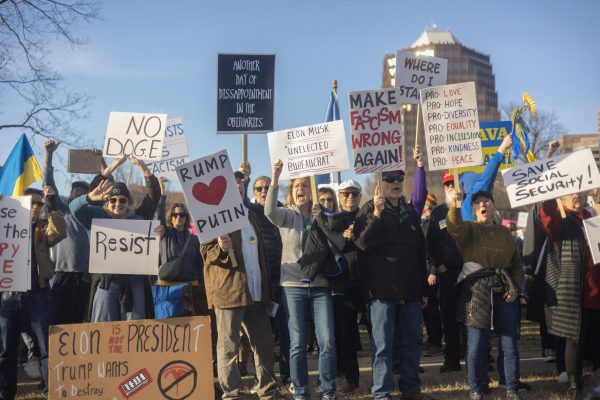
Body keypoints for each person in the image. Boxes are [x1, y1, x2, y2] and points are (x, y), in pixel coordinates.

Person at [353, 147, 430, 400]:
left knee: (413, 342)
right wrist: (376, 214)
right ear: (381, 183)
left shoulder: (410, 212)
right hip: (380, 291)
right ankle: (382, 393)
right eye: (390, 179)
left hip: (410, 289)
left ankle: (411, 390)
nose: (396, 183)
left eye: (400, 178)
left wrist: (424, 289)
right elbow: (362, 244)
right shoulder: (368, 209)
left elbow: (420, 251)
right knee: (383, 345)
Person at [200, 171, 279, 400]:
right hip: (229, 292)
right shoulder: (213, 216)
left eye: (241, 184)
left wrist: (266, 289)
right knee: (228, 347)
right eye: (233, 185)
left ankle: (267, 390)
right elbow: (206, 253)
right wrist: (220, 248)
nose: (239, 187)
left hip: (255, 291)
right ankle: (231, 394)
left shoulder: (252, 215)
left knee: (264, 343)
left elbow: (259, 255)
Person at [265, 160, 337, 400]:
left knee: (326, 340)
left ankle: (327, 390)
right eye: (296, 185)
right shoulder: (287, 215)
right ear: (291, 191)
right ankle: (301, 390)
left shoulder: (323, 214)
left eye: (305, 185)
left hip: (320, 286)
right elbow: (268, 212)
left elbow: (336, 242)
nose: (300, 188)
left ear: (312, 190)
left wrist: (322, 220)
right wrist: (275, 178)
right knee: (297, 343)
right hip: (292, 287)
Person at [446, 189, 523, 400]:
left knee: (509, 342)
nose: (483, 205)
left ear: (493, 206)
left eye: (487, 201)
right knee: (476, 343)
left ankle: (511, 387)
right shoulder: (469, 229)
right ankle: (476, 388)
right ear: (473, 209)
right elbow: (454, 226)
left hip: (504, 290)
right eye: (478, 202)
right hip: (477, 290)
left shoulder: (505, 233)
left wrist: (515, 287)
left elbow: (516, 264)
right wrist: (454, 205)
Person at [69, 158, 160, 322]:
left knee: (135, 328)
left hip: (134, 284)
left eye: (122, 200)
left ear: (129, 203)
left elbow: (154, 194)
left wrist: (142, 166)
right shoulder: (96, 217)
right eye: (113, 200)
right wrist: (89, 196)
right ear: (107, 202)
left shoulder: (139, 219)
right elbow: (74, 209)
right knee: (102, 327)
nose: (117, 203)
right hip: (106, 283)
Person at [0, 186, 66, 399]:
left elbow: (61, 232)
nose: (35, 207)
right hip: (9, 296)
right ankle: (5, 393)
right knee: (5, 350)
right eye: (31, 202)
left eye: (39, 203)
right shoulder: (4, 226)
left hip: (38, 295)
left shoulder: (44, 227)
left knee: (47, 349)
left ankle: (50, 393)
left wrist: (52, 204)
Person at [539, 192, 600, 398]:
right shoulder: (561, 220)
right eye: (570, 193)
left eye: (580, 192)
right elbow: (548, 222)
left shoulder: (593, 216)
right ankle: (575, 384)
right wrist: (550, 196)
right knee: (575, 339)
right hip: (573, 290)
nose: (577, 196)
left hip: (596, 289)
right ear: (561, 198)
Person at [44, 140, 95, 325]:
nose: (79, 195)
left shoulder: (92, 216)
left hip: (84, 275)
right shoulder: (62, 209)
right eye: (76, 192)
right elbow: (49, 185)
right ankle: (53, 353)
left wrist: (102, 161)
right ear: (70, 195)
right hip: (61, 272)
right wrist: (49, 155)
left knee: (77, 317)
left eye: (84, 193)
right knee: (57, 317)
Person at [426, 172, 465, 372]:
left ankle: (478, 356)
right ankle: (452, 359)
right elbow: (430, 242)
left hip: (470, 273)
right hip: (447, 273)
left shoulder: (471, 208)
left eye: (454, 183)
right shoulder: (438, 213)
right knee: (449, 317)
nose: (451, 186)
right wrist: (437, 264)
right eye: (447, 184)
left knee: (472, 316)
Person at [330, 179, 364, 393]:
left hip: (370, 282)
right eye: (345, 194)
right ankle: (351, 377)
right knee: (347, 334)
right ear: (339, 196)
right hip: (344, 284)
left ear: (360, 196)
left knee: (379, 331)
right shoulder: (333, 219)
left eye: (354, 193)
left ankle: (386, 376)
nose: (350, 197)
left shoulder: (368, 215)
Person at [153, 202, 207, 317]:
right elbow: (158, 219)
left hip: (191, 289)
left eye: (182, 215)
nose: (178, 217)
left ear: (186, 218)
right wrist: (162, 196)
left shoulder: (194, 239)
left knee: (192, 327)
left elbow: (200, 265)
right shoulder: (165, 234)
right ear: (170, 217)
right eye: (175, 214)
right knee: (170, 325)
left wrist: (202, 286)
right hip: (168, 289)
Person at [421, 193, 444, 357]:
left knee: (432, 310)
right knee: (426, 309)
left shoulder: (433, 222)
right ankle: (431, 338)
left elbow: (434, 248)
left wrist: (433, 271)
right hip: (421, 271)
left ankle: (436, 342)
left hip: (431, 272)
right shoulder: (421, 223)